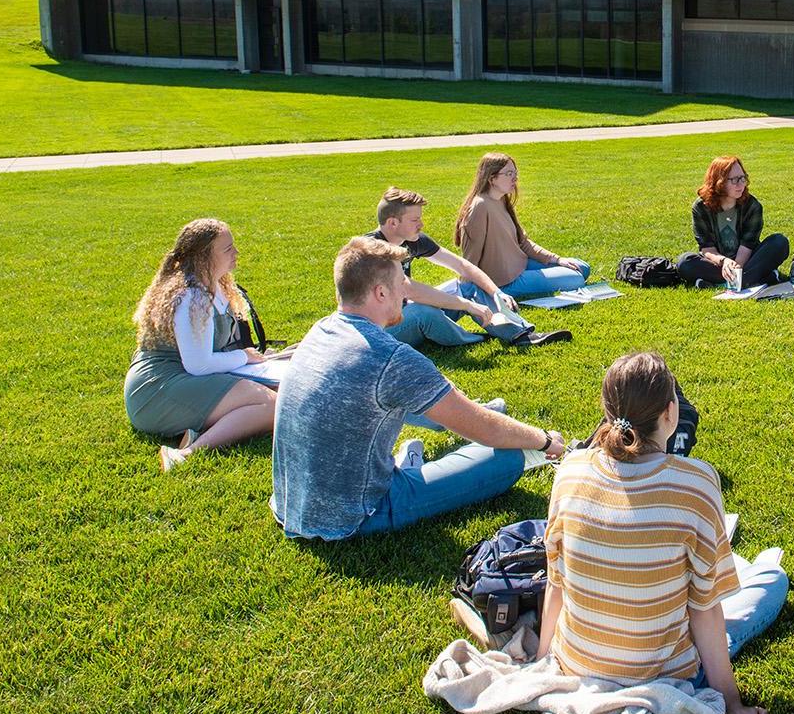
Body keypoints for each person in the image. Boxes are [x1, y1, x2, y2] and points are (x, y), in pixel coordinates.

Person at [538, 352, 787, 714]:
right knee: (771, 584)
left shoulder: (569, 470)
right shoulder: (697, 483)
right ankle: (759, 567)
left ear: (606, 412)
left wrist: (543, 661)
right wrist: (731, 702)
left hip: (577, 662)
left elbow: (557, 581)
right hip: (663, 672)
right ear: (671, 413)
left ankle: (740, 566)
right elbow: (705, 612)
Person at [270, 236, 566, 540]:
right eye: (402, 284)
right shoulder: (391, 358)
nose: (407, 294)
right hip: (356, 514)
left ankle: (405, 465)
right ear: (381, 292)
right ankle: (407, 472)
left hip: (289, 506)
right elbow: (479, 427)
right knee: (507, 456)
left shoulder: (319, 331)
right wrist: (543, 440)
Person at [124, 218, 277, 472]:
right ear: (204, 257)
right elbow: (199, 364)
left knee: (278, 393)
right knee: (272, 405)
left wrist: (256, 359)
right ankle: (185, 453)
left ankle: (200, 430)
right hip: (155, 392)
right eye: (227, 249)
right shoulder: (191, 295)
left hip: (183, 378)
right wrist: (244, 357)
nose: (236, 253)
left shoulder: (215, 284)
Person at [369, 187, 569, 350]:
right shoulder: (371, 250)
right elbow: (410, 290)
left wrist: (496, 292)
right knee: (424, 312)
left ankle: (521, 335)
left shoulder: (411, 240)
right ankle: (470, 339)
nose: (421, 224)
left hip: (403, 311)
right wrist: (466, 305)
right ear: (393, 223)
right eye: (415, 220)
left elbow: (462, 266)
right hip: (382, 331)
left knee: (467, 286)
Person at [453, 152, 592, 300]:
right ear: (491, 178)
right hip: (505, 281)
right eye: (509, 173)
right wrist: (469, 291)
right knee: (576, 278)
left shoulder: (501, 200)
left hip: (520, 265)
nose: (515, 178)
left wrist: (557, 259)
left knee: (582, 267)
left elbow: (523, 242)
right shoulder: (479, 207)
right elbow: (470, 256)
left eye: (515, 172)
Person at [676, 156, 791, 289]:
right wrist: (725, 262)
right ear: (719, 182)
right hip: (718, 263)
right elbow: (707, 247)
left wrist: (736, 267)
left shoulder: (752, 206)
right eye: (734, 180)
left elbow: (747, 245)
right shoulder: (701, 207)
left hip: (747, 260)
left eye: (743, 178)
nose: (741, 184)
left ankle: (724, 283)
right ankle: (757, 279)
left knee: (779, 242)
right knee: (684, 262)